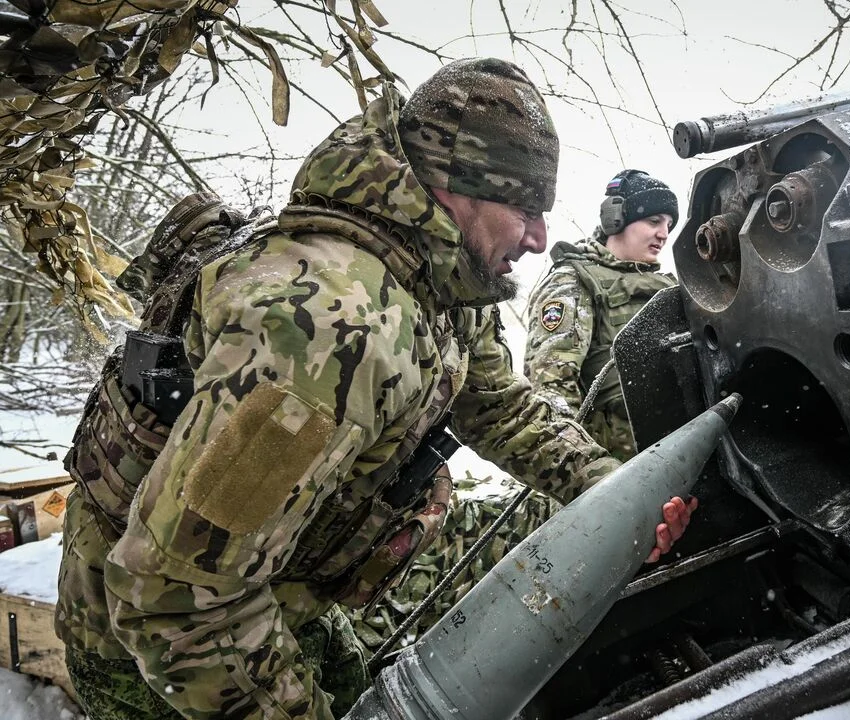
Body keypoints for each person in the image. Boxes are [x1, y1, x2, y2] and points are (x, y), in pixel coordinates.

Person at [54, 58, 696, 720]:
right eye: (524, 208)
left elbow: (500, 408)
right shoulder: (328, 332)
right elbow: (177, 597)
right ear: (454, 191)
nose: (538, 238)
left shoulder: (442, 283)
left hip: (282, 592)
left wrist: (615, 492)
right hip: (160, 656)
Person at [524, 169, 679, 460]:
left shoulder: (670, 287)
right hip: (617, 470)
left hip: (682, 452)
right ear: (616, 219)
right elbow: (550, 392)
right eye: (654, 221)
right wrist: (591, 470)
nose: (664, 234)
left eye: (669, 224)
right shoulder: (575, 281)